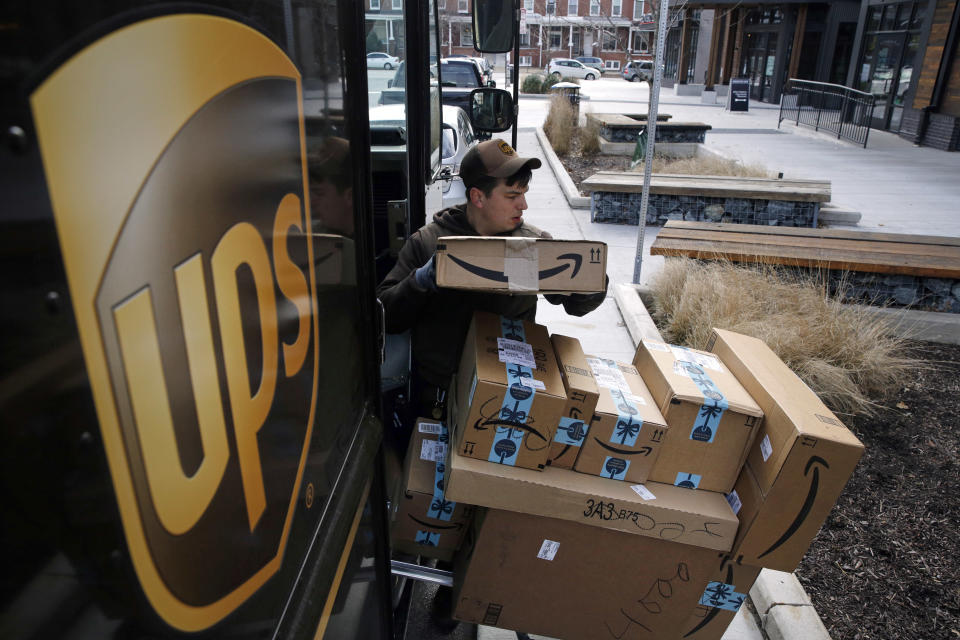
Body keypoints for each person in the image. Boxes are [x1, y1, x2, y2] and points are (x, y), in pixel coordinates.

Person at [376, 138, 607, 421]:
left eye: (524, 193)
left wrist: (589, 279)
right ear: (478, 197)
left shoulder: (532, 245)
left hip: (510, 395)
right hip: (438, 398)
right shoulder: (429, 243)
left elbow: (578, 306)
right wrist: (421, 281)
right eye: (512, 196)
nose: (523, 205)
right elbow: (385, 314)